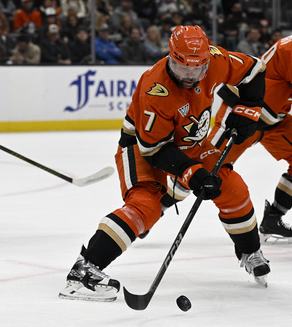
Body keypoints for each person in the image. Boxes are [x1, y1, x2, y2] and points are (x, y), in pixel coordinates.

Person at [59, 25, 270, 302]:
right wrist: (192, 174)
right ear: (171, 57)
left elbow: (255, 69)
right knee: (145, 206)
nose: (192, 74)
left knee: (233, 188)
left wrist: (247, 110)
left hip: (191, 143)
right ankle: (84, 271)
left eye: (198, 67)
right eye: (184, 67)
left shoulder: (213, 60)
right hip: (142, 146)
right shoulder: (155, 89)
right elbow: (155, 150)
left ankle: (250, 251)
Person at [162, 3, 292, 244]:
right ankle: (157, 207)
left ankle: (273, 219)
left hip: (274, 120)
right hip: (243, 116)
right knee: (202, 168)